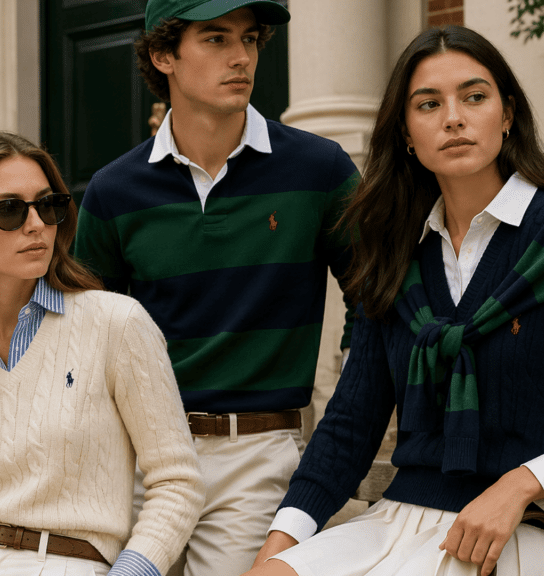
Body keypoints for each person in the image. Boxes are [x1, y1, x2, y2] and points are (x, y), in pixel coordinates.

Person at [245, 25, 544, 576]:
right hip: (399, 523)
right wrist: (280, 543)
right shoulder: (398, 253)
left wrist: (522, 484)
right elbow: (351, 424)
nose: (453, 117)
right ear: (406, 133)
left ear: (506, 115)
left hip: (519, 530)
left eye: (474, 97)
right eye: (428, 105)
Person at [74, 1, 361, 574]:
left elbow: (377, 303)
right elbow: (83, 337)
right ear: (163, 56)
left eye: (250, 39)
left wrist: (343, 419)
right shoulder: (114, 191)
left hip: (255, 453)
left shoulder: (319, 170)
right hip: (140, 454)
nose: (242, 57)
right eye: (216, 39)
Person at [0, 131, 204, 576]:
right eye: (9, 209)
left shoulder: (116, 325)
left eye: (47, 206)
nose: (36, 225)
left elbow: (176, 482)